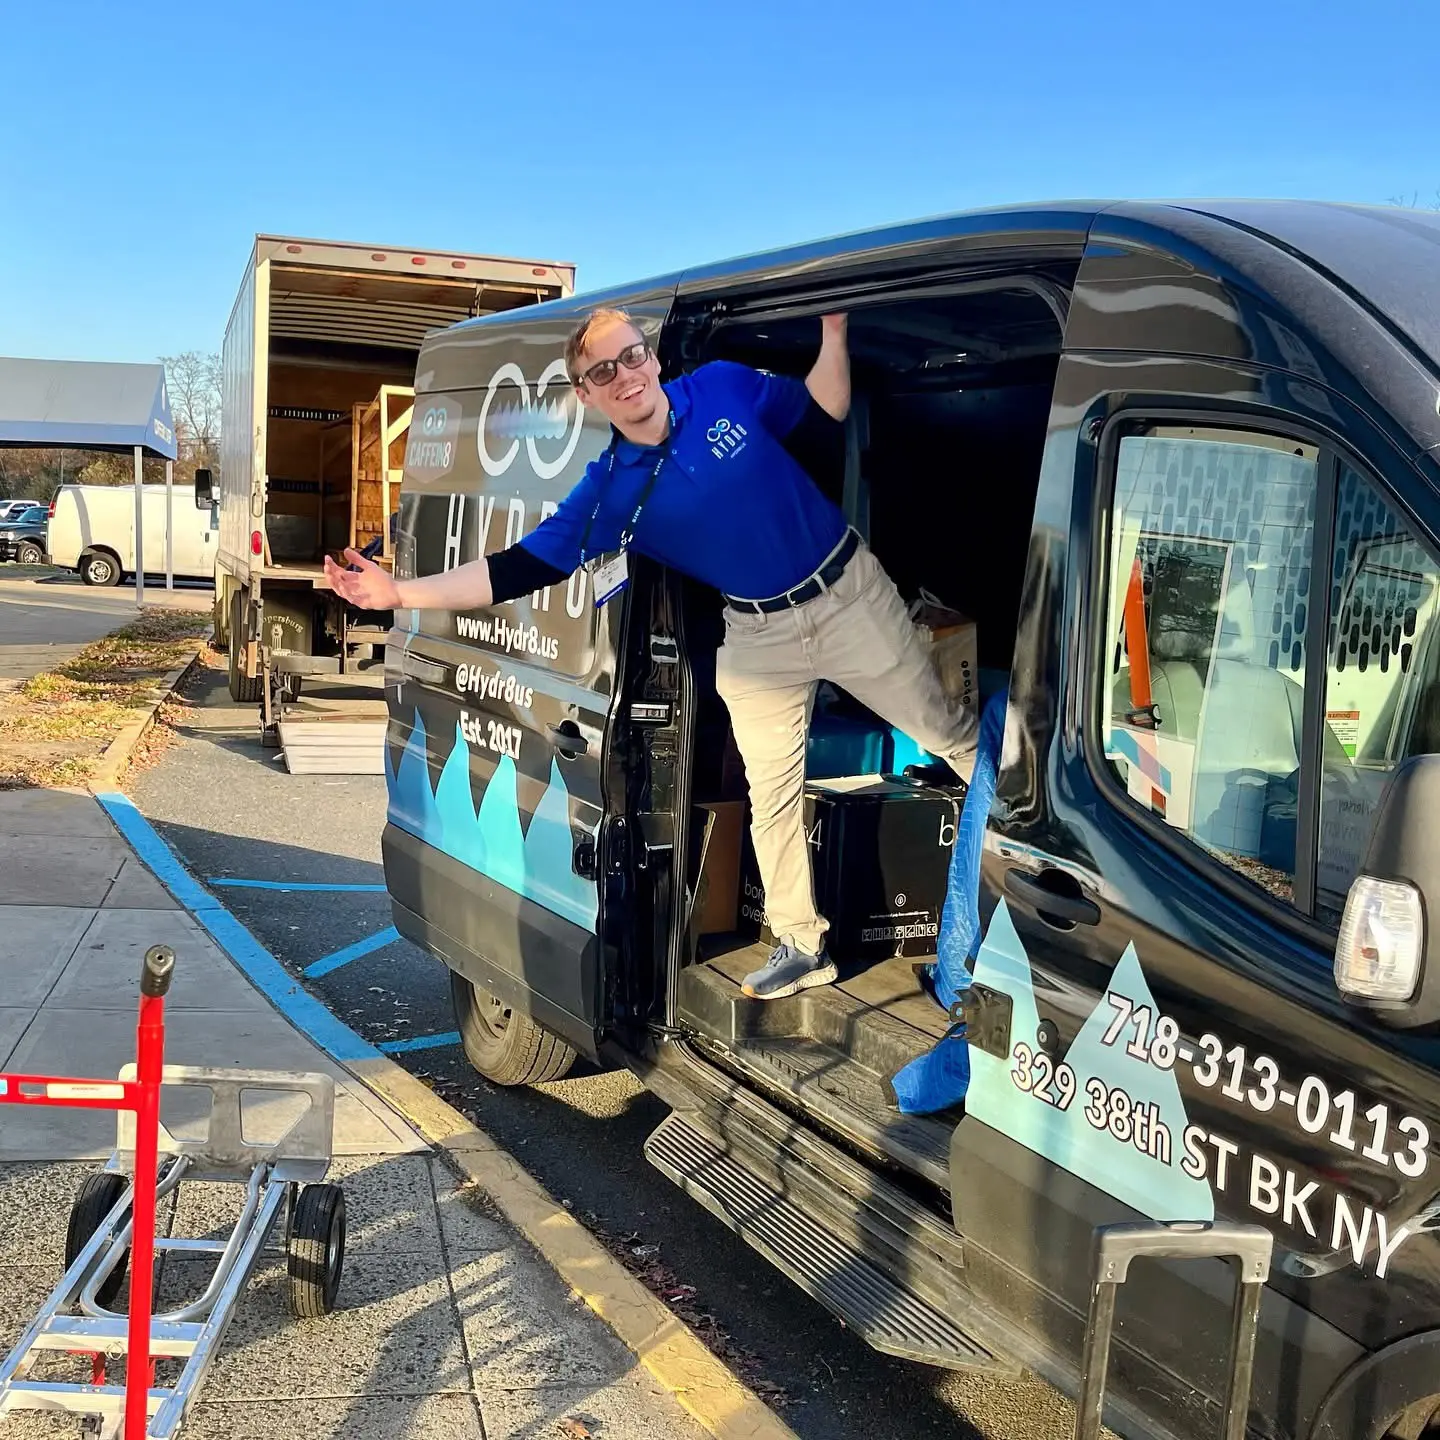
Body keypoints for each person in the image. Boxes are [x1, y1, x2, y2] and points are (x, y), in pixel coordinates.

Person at [325, 308, 977, 1000]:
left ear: (653, 358)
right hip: (758, 635)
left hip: (847, 597)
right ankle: (801, 943)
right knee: (772, 794)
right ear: (586, 395)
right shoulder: (609, 489)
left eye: (631, 357)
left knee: (951, 739)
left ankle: (1030, 892)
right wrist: (398, 592)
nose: (624, 375)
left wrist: (836, 331)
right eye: (602, 372)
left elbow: (822, 408)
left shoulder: (723, 387)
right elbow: (515, 569)